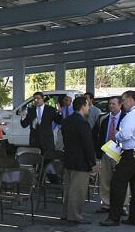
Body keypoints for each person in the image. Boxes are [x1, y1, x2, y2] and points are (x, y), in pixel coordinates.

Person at [101, 90, 135, 227]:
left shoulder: (132, 115)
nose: (122, 104)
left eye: (123, 101)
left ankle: (114, 217)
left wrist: (117, 135)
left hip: (132, 153)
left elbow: (126, 135)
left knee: (117, 183)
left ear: (130, 99)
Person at [60, 96, 98, 224]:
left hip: (68, 159)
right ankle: (75, 215)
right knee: (78, 190)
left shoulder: (66, 121)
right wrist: (92, 162)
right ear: (83, 106)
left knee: (68, 189)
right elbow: (87, 144)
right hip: (81, 161)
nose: (88, 108)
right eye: (87, 105)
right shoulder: (83, 123)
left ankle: (66, 213)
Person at [93, 96, 127, 215]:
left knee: (121, 180)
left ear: (120, 105)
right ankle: (106, 204)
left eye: (113, 104)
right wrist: (98, 154)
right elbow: (98, 136)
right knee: (105, 180)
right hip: (106, 153)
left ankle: (122, 205)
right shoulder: (104, 118)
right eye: (110, 104)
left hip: (121, 153)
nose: (111, 106)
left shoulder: (126, 118)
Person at [21, 92, 60, 183]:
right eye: (34, 99)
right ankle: (39, 181)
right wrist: (23, 117)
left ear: (43, 99)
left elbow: (59, 121)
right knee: (36, 162)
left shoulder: (50, 110)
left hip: (47, 141)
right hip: (35, 141)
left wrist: (60, 112)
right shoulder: (31, 110)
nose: (36, 100)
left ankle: (54, 181)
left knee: (49, 161)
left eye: (38, 98)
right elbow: (24, 124)